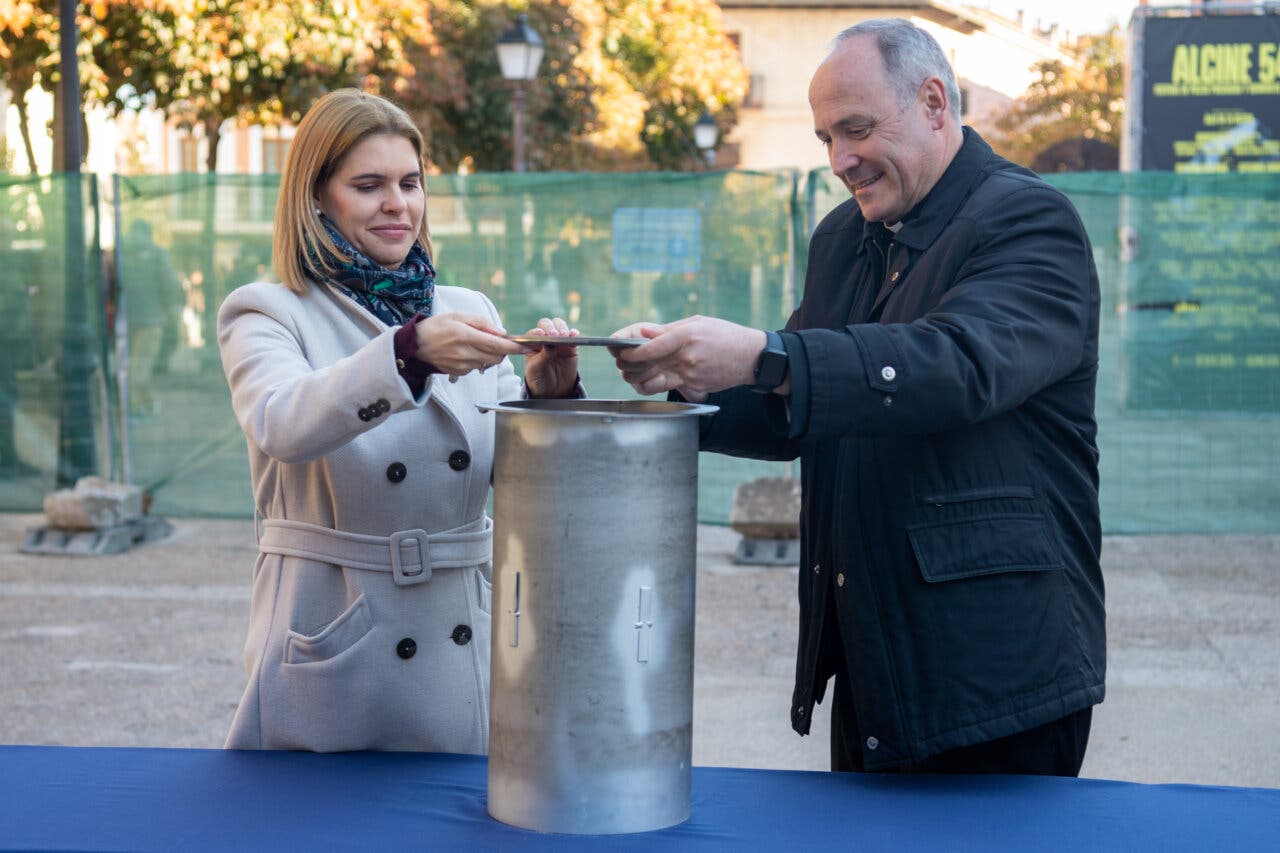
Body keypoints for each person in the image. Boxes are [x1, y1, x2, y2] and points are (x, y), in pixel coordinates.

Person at [611, 18, 1104, 776]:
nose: (841, 160)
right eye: (825, 139)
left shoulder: (1031, 221)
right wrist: (682, 379)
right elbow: (803, 400)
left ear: (935, 102)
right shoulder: (843, 237)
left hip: (1002, 675)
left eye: (857, 129)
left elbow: (959, 364)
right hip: (876, 664)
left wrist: (767, 355)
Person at [217, 89, 581, 753]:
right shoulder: (266, 311)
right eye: (368, 184)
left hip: (462, 639)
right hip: (338, 633)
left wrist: (548, 395)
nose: (398, 203)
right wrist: (407, 356)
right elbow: (280, 421)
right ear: (316, 196)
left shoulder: (469, 306)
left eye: (410, 183)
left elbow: (527, 485)